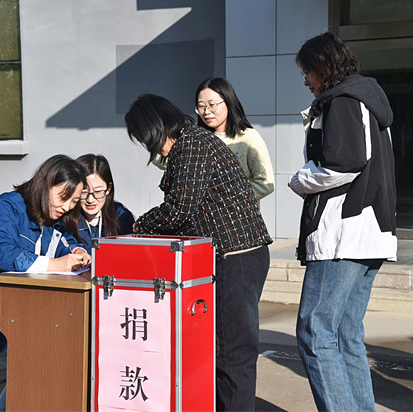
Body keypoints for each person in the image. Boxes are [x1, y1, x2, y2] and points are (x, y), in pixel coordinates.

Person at [125, 93, 272, 411]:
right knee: (222, 351)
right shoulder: (190, 144)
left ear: (155, 127)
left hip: (237, 258)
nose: (150, 149)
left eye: (145, 139)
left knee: (232, 355)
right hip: (234, 256)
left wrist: (139, 226)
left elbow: (178, 209)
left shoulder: (191, 144)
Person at [288, 32, 397, 411]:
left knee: (315, 332)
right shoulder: (364, 98)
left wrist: (300, 180)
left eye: (308, 71)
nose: (305, 79)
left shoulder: (344, 100)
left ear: (325, 66)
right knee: (346, 334)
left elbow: (345, 161)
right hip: (368, 233)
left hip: (343, 234)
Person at [0, 154, 91, 412]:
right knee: (44, 355)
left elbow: (73, 239)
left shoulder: (52, 216)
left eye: (74, 202)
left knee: (70, 347)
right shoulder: (5, 207)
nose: (67, 207)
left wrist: (78, 252)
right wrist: (55, 264)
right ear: (46, 184)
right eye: (64, 197)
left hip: (21, 316)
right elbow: (0, 253)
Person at [194, 77, 274, 202]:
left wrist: (227, 200)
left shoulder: (248, 137)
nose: (206, 111)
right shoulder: (196, 140)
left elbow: (265, 183)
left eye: (212, 105)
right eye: (201, 106)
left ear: (228, 103)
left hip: (239, 218)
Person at [64, 153, 135, 252]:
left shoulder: (121, 215)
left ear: (109, 188)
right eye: (84, 192)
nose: (90, 200)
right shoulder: (66, 217)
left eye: (98, 192)